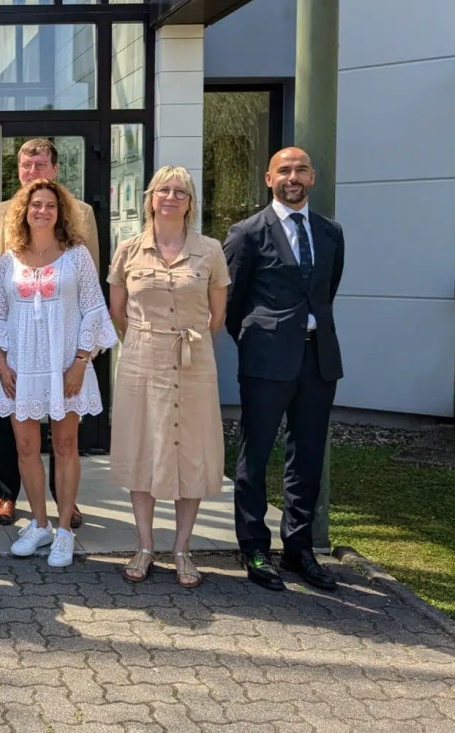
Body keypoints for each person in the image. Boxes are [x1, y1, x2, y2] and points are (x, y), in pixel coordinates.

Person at [224, 147, 345, 592]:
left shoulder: (331, 232)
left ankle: (299, 548)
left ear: (312, 177)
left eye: (301, 170)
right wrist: (257, 339)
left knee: (308, 456)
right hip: (266, 360)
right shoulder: (247, 233)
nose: (293, 177)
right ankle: (254, 547)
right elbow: (232, 303)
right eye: (285, 170)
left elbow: (326, 291)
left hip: (319, 359)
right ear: (269, 178)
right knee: (255, 455)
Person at [0, 180, 116, 567]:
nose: (42, 211)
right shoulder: (9, 259)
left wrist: (81, 362)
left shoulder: (76, 256)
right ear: (24, 211)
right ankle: (39, 524)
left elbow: (94, 310)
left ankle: (64, 530)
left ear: (61, 212)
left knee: (65, 446)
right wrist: (1, 363)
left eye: (50, 205)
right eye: (35, 204)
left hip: (66, 366)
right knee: (25, 448)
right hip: (20, 368)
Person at [107, 166, 229, 588]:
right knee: (143, 446)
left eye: (181, 191)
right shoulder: (128, 250)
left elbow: (217, 316)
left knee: (189, 450)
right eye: (164, 190)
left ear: (190, 202)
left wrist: (186, 340)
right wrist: (149, 340)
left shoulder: (210, 250)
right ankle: (144, 546)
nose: (171, 197)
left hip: (194, 361)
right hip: (142, 360)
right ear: (151, 198)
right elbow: (118, 312)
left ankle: (182, 549)